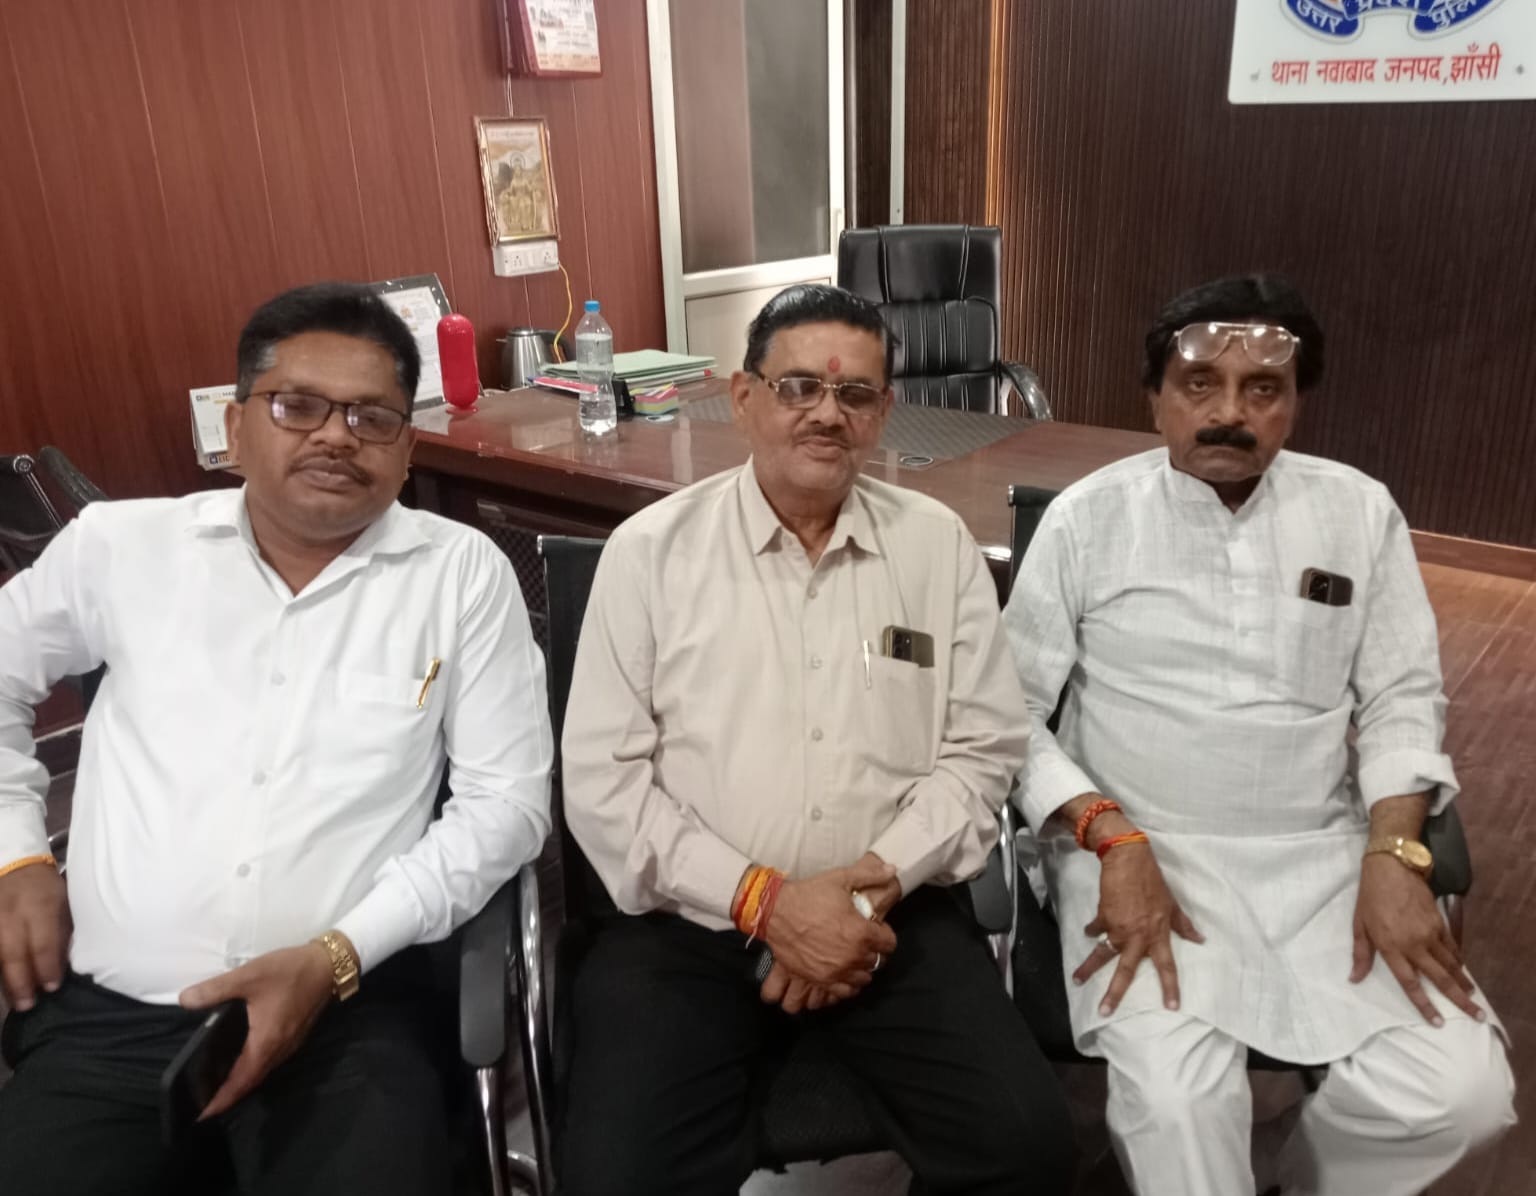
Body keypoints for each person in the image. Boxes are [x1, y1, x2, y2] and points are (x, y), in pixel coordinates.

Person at [0, 282, 553, 1195]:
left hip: (351, 1012)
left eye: (372, 417)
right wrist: (17, 857)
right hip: (113, 1018)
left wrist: (335, 957)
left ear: (407, 450)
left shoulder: (459, 576)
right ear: (235, 425)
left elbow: (507, 807)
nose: (336, 436)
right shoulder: (121, 549)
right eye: (298, 406)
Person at [1003, 274, 1516, 1196]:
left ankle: (1289, 1172)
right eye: (1200, 384)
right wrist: (1107, 836)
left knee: (1462, 1094)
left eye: (1263, 389)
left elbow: (1401, 697)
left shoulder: (1358, 511)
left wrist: (1395, 852)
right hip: (1138, 854)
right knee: (1179, 1104)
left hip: (1321, 860)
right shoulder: (1088, 519)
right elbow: (1005, 715)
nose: (1229, 414)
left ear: (1296, 403)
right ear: (1155, 397)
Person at [558, 284, 1074, 1195]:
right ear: (743, 397)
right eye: (798, 387)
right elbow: (605, 783)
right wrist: (769, 905)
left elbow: (984, 748)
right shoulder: (651, 553)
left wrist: (864, 894)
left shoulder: (937, 548)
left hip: (892, 918)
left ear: (883, 412)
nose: (827, 414)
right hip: (688, 929)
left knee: (1029, 1146)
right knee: (615, 1178)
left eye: (855, 393)